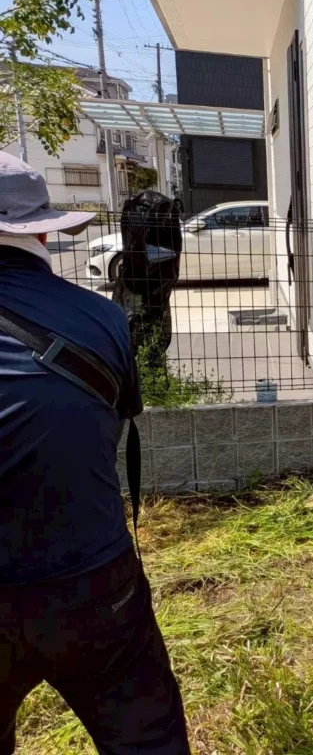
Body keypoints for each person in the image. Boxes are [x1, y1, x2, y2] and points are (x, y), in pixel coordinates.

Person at [0, 152, 190, 754]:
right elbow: (109, 424)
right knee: (148, 739)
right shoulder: (101, 318)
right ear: (42, 231)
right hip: (93, 584)